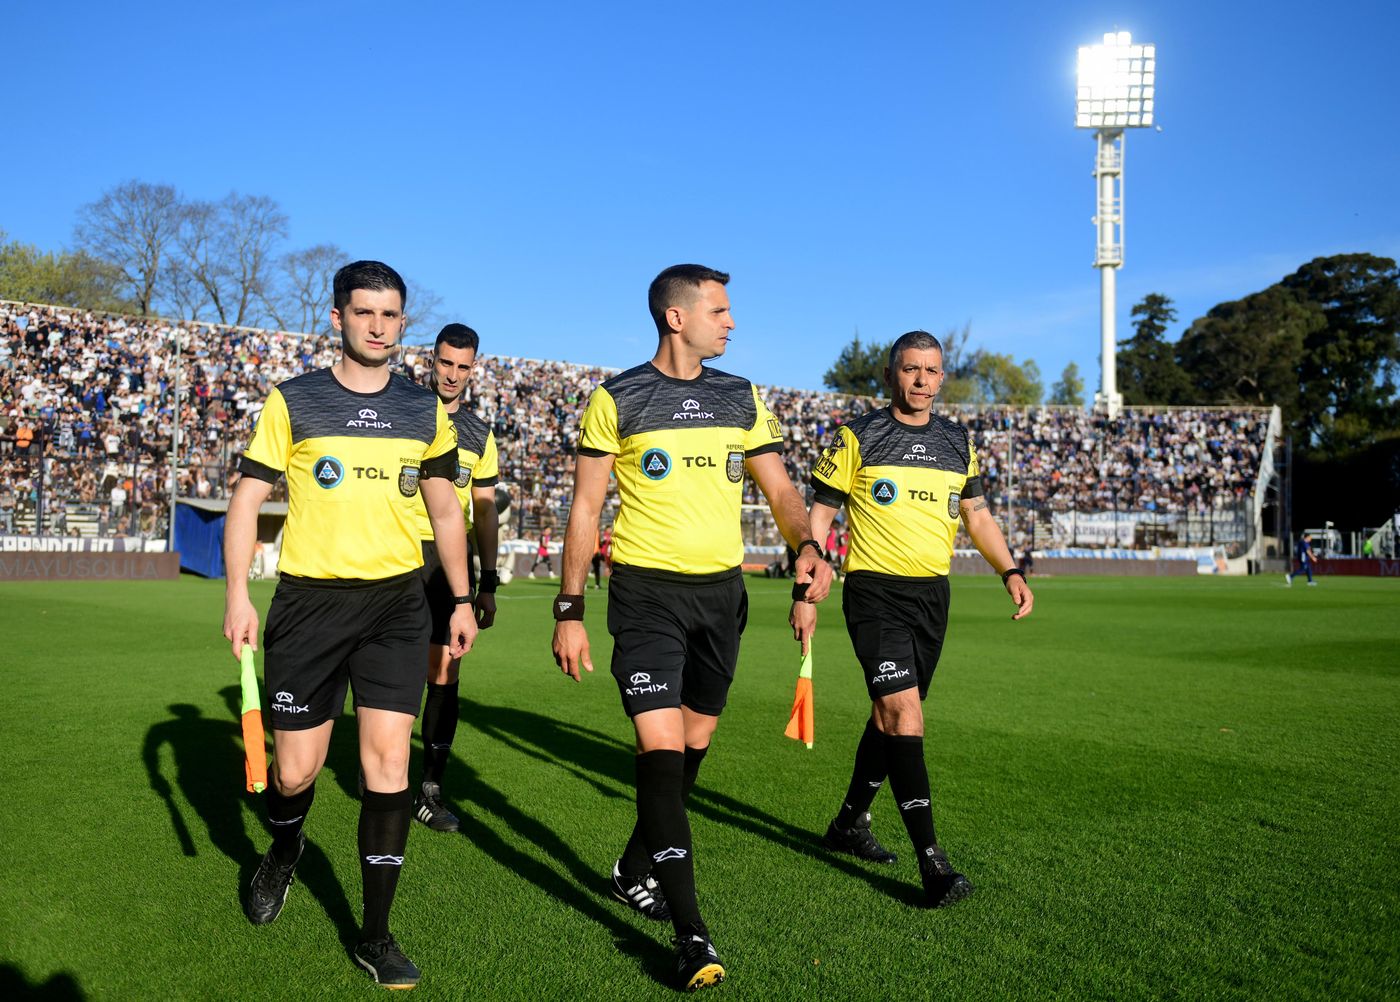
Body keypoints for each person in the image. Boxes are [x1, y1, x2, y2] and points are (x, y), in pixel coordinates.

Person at [551, 264, 832, 990]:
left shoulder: (741, 396)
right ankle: (691, 935)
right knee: (662, 747)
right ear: (678, 318)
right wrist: (570, 607)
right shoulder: (616, 398)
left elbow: (780, 489)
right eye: (720, 310)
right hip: (645, 596)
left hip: (720, 598)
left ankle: (632, 867)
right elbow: (586, 509)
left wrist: (808, 543)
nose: (731, 322)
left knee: (696, 740)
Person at [222, 261, 477, 989]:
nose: (377, 326)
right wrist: (238, 593)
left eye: (391, 315)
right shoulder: (293, 400)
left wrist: (458, 598)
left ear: (403, 323)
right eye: (364, 312)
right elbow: (246, 501)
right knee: (295, 771)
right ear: (336, 317)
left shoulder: (422, 410)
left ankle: (374, 934)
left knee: (387, 769)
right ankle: (284, 848)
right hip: (309, 605)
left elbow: (445, 509)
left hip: (397, 608)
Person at [794, 330, 1034, 908]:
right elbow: (819, 515)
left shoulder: (958, 442)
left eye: (932, 370)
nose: (922, 380)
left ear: (942, 377)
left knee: (889, 718)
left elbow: (976, 516)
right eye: (911, 369)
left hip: (933, 598)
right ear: (891, 374)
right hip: (874, 593)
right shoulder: (859, 436)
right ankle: (933, 863)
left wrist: (1010, 571)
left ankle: (849, 822)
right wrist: (806, 584)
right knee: (904, 713)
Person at [407, 323, 502, 833]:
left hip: (452, 565)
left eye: (463, 366)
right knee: (395, 671)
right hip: (398, 558)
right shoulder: (402, 412)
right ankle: (382, 770)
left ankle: (430, 788)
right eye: (446, 363)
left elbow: (484, 513)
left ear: (473, 368)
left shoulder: (480, 435)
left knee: (445, 673)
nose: (453, 375)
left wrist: (488, 581)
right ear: (432, 360)